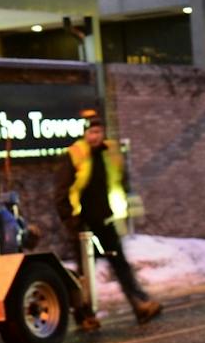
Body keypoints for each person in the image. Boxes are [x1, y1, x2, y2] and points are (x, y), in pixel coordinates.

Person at [67, 115, 161, 326]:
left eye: (98, 132)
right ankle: (85, 316)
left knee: (120, 264)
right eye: (91, 132)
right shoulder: (76, 154)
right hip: (82, 223)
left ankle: (140, 304)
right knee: (85, 273)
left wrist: (127, 206)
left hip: (106, 219)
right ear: (84, 134)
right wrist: (70, 221)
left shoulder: (110, 153)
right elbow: (62, 190)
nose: (95, 136)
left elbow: (121, 182)